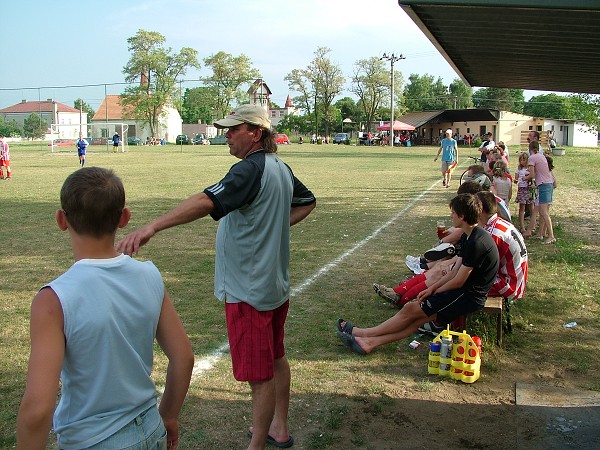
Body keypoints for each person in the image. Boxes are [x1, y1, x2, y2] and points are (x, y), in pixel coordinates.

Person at [116, 104, 316, 450]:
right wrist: (272, 227)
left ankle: (257, 444)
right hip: (274, 287)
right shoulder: (279, 167)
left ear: (256, 133)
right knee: (276, 357)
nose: (227, 135)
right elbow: (308, 201)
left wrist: (153, 226)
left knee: (259, 376)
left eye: (234, 129)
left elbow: (205, 201)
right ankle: (278, 429)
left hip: (249, 291)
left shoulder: (249, 170)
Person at [17, 167, 194, 450]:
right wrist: (169, 416)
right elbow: (183, 357)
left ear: (62, 220)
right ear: (124, 218)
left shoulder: (54, 300)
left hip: (93, 440)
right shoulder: (149, 275)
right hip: (150, 429)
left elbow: (38, 408)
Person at [337, 193, 499, 354]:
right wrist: (432, 288)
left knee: (411, 310)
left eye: (453, 213)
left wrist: (433, 290)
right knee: (415, 316)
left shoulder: (477, 243)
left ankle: (363, 334)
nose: (451, 215)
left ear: (462, 216)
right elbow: (454, 272)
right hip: (462, 291)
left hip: (468, 296)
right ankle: (369, 342)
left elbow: (458, 280)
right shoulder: (469, 236)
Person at [523, 140, 556, 243]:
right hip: (547, 184)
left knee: (544, 212)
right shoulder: (542, 157)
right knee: (541, 211)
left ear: (530, 149)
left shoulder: (532, 158)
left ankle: (551, 236)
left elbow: (532, 175)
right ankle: (540, 234)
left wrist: (525, 178)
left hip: (544, 186)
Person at [513, 152, 533, 232]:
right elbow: (516, 178)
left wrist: (528, 178)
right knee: (522, 207)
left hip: (529, 188)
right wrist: (516, 180)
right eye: (520, 160)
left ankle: (532, 225)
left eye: (524, 160)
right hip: (522, 188)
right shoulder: (519, 169)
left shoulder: (530, 168)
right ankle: (522, 226)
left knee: (531, 207)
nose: (522, 162)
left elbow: (533, 176)